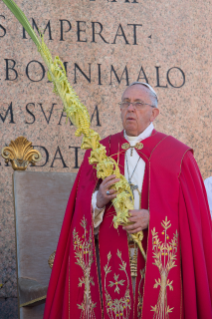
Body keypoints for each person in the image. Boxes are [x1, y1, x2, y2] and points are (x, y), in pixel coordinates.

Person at [44, 82, 212, 319]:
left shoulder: (178, 156)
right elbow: (77, 214)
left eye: (138, 103)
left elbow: (194, 220)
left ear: (154, 113)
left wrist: (153, 218)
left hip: (158, 262)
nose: (130, 109)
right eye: (125, 103)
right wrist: (99, 200)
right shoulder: (100, 152)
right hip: (109, 263)